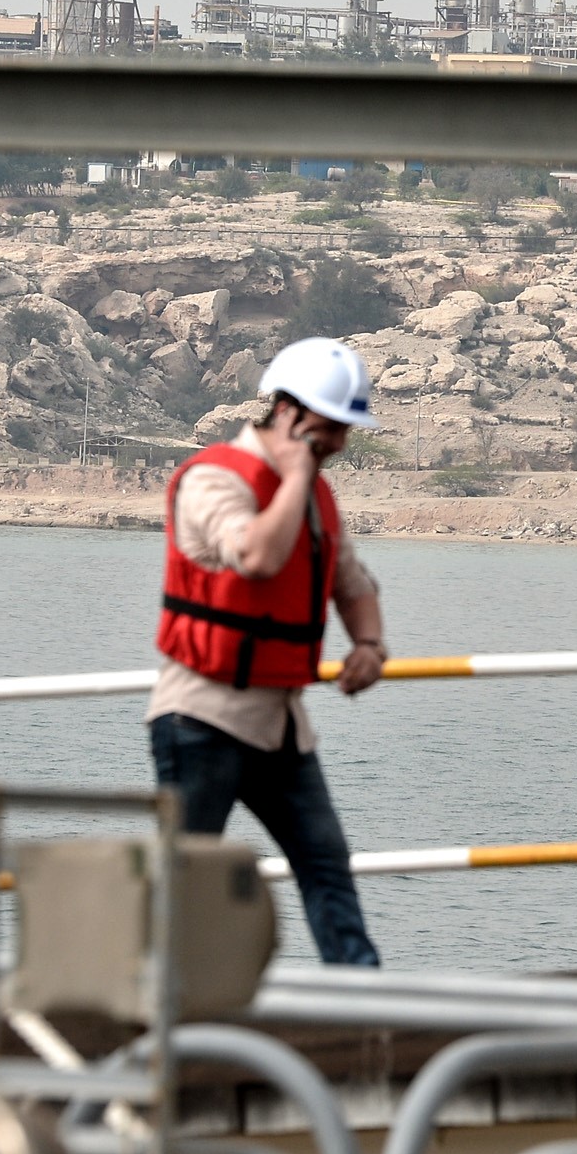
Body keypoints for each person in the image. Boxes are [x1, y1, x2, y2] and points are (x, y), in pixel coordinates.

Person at [148, 336, 388, 965]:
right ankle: (152, 1021)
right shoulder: (211, 479)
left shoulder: (316, 496)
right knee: (185, 883)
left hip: (281, 726)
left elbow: (353, 584)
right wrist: (299, 476)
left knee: (325, 864)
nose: (340, 444)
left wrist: (369, 643)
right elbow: (257, 556)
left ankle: (367, 1008)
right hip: (203, 719)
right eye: (331, 429)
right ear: (287, 412)